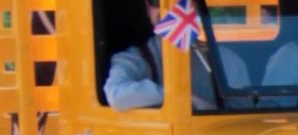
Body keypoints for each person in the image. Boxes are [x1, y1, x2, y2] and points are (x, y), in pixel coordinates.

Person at [103, 0, 249, 111]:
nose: (165, 10)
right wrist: (181, 97)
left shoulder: (226, 60)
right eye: (156, 2)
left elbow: (243, 116)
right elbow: (116, 94)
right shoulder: (135, 58)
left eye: (176, 1)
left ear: (193, 7)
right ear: (148, 9)